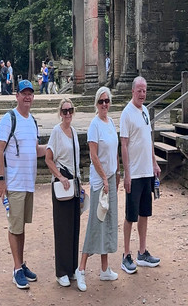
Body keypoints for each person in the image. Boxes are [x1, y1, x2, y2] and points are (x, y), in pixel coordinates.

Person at [0, 78, 41, 289]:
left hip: (28, 182)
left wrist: (56, 147)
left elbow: (36, 150)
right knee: (15, 227)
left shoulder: (32, 121)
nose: (27, 97)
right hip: (14, 183)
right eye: (24, 93)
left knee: (21, 226)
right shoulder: (9, 118)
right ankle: (16, 269)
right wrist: (1, 179)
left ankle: (21, 264)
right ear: (17, 96)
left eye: (30, 93)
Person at [78, 86, 120, 290]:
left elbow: (115, 150)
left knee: (108, 221)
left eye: (107, 101)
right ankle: (81, 269)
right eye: (101, 101)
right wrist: (104, 178)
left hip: (110, 178)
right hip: (99, 181)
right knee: (96, 223)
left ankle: (104, 268)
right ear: (96, 103)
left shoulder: (111, 122)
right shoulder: (94, 125)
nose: (104, 104)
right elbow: (93, 156)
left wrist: (117, 172)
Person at [120, 76, 161, 274]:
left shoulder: (144, 111)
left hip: (146, 171)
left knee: (145, 212)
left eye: (144, 90)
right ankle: (126, 254)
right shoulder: (126, 113)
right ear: (132, 91)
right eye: (139, 91)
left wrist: (154, 163)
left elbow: (148, 139)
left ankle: (142, 252)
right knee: (130, 215)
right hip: (134, 173)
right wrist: (127, 173)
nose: (142, 94)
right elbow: (124, 144)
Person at [45, 97, 82, 287]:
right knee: (62, 228)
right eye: (65, 111)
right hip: (62, 183)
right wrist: (60, 176)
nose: (68, 114)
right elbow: (48, 159)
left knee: (74, 227)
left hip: (74, 183)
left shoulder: (74, 132)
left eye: (70, 110)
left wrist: (80, 183)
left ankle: (72, 267)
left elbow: (76, 160)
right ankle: (61, 271)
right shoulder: (56, 132)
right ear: (60, 113)